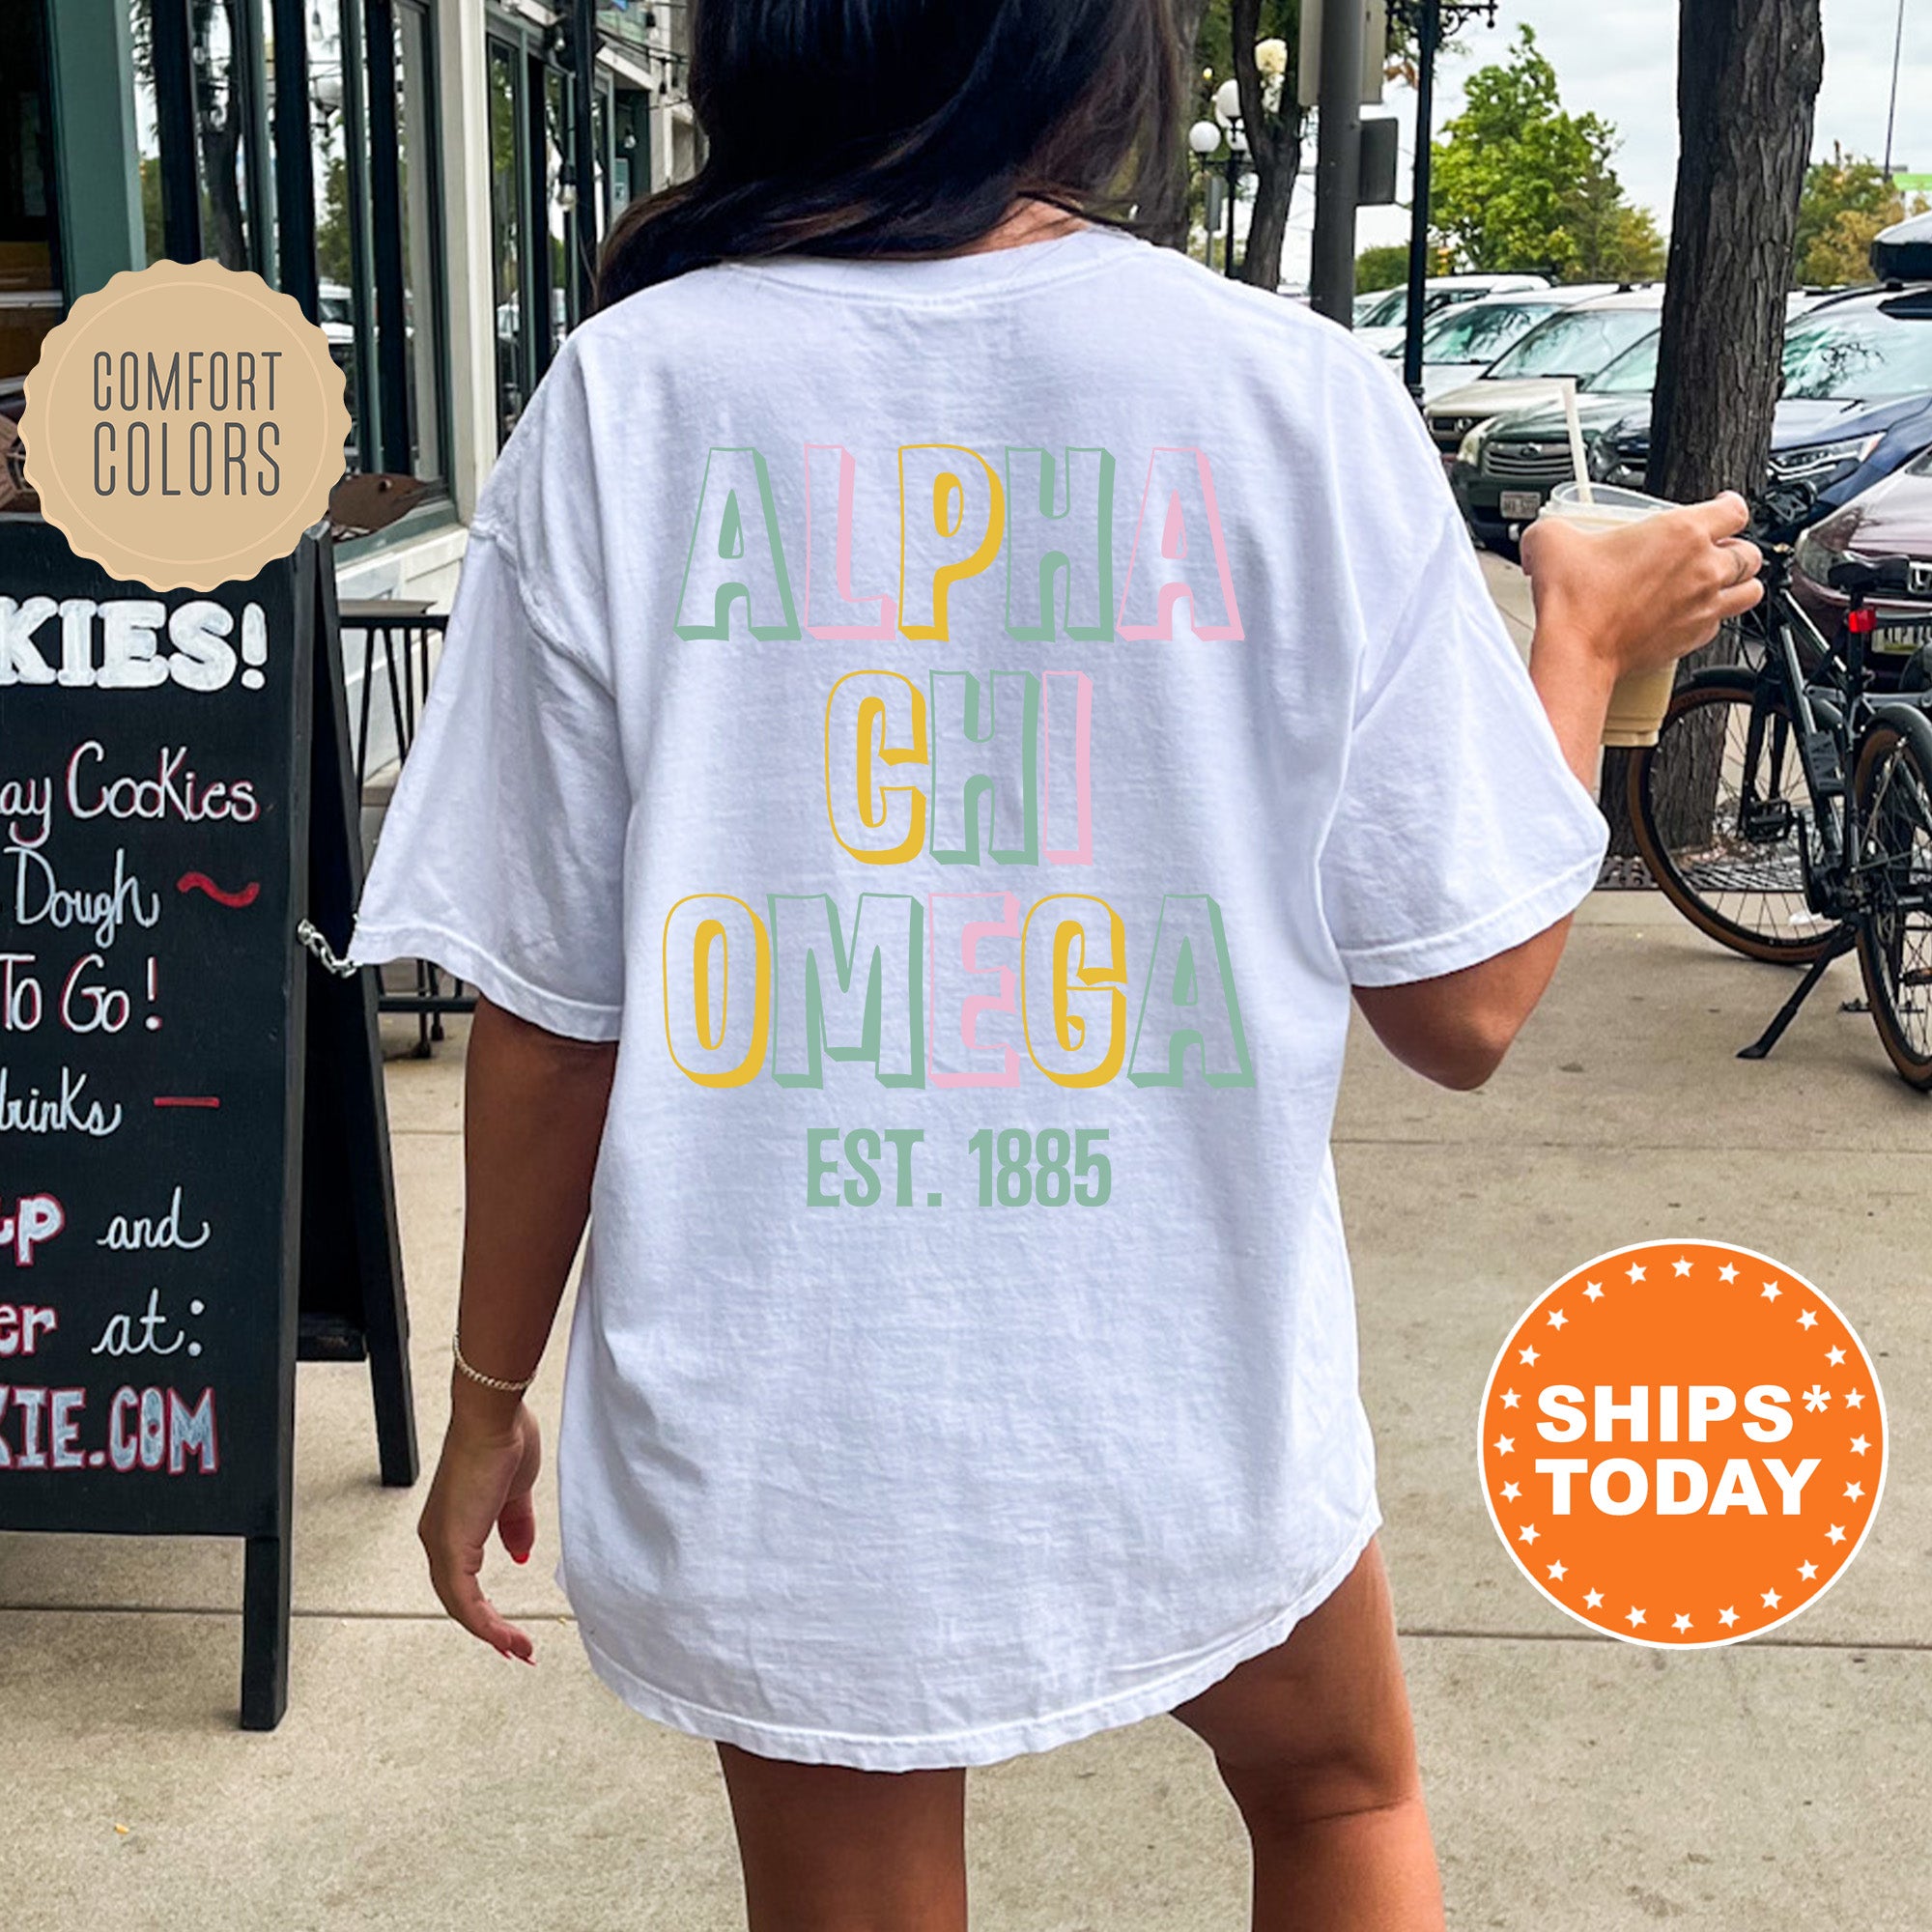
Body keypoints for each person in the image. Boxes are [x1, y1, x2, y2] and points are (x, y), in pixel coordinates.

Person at [347, 3, 1764, 1925]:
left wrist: (490, 1392)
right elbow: (1468, 1002)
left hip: (791, 1413)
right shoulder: (1285, 391)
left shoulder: (626, 398)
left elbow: (551, 1017)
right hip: (1175, 1379)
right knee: (1338, 1793)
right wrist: (1581, 647)